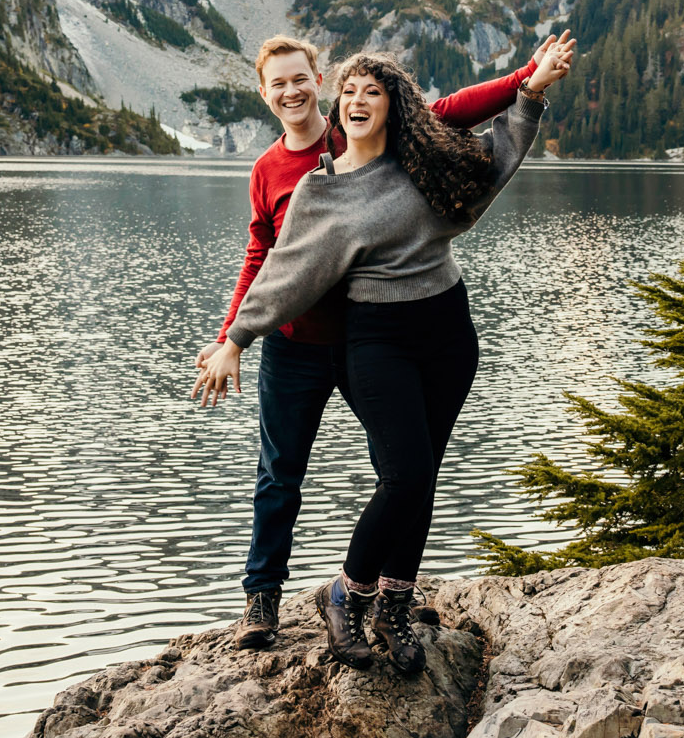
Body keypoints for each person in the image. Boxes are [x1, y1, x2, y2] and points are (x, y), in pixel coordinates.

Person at [194, 32, 573, 651]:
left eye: (303, 79)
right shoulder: (286, 175)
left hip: (403, 332)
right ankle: (276, 598)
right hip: (311, 341)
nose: (294, 91)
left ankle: (395, 599)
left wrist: (530, 82)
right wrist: (233, 336)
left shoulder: (397, 149)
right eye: (277, 83)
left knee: (411, 471)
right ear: (264, 94)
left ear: (318, 82)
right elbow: (273, 259)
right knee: (287, 471)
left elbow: (455, 120)